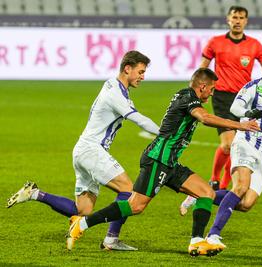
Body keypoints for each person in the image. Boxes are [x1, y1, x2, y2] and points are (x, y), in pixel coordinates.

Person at [65, 68, 260, 257]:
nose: (212, 93)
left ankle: (197, 242)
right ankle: (82, 224)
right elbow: (205, 118)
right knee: (136, 206)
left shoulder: (187, 96)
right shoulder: (187, 97)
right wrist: (240, 126)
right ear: (202, 86)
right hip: (158, 160)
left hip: (170, 162)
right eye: (211, 89)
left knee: (206, 193)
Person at [6, 50, 160, 251]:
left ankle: (34, 194)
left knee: (83, 210)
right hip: (92, 150)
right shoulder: (115, 92)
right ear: (127, 68)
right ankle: (111, 240)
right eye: (140, 72)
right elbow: (138, 119)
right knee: (128, 191)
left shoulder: (115, 88)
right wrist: (165, 133)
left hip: (82, 150)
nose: (143, 77)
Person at [179, 56, 262, 249]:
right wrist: (248, 114)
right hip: (245, 142)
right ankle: (213, 235)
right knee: (240, 186)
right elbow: (235, 107)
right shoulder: (252, 87)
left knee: (246, 204)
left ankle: (203, 194)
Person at [200, 5, 262, 190]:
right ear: (228, 19)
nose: (237, 21)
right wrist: (199, 90)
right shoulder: (215, 42)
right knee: (227, 144)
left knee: (238, 145)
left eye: (241, 18)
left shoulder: (254, 45)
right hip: (221, 97)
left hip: (244, 100)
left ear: (246, 21)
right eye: (234, 17)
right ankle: (215, 178)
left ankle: (222, 186)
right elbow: (203, 69)